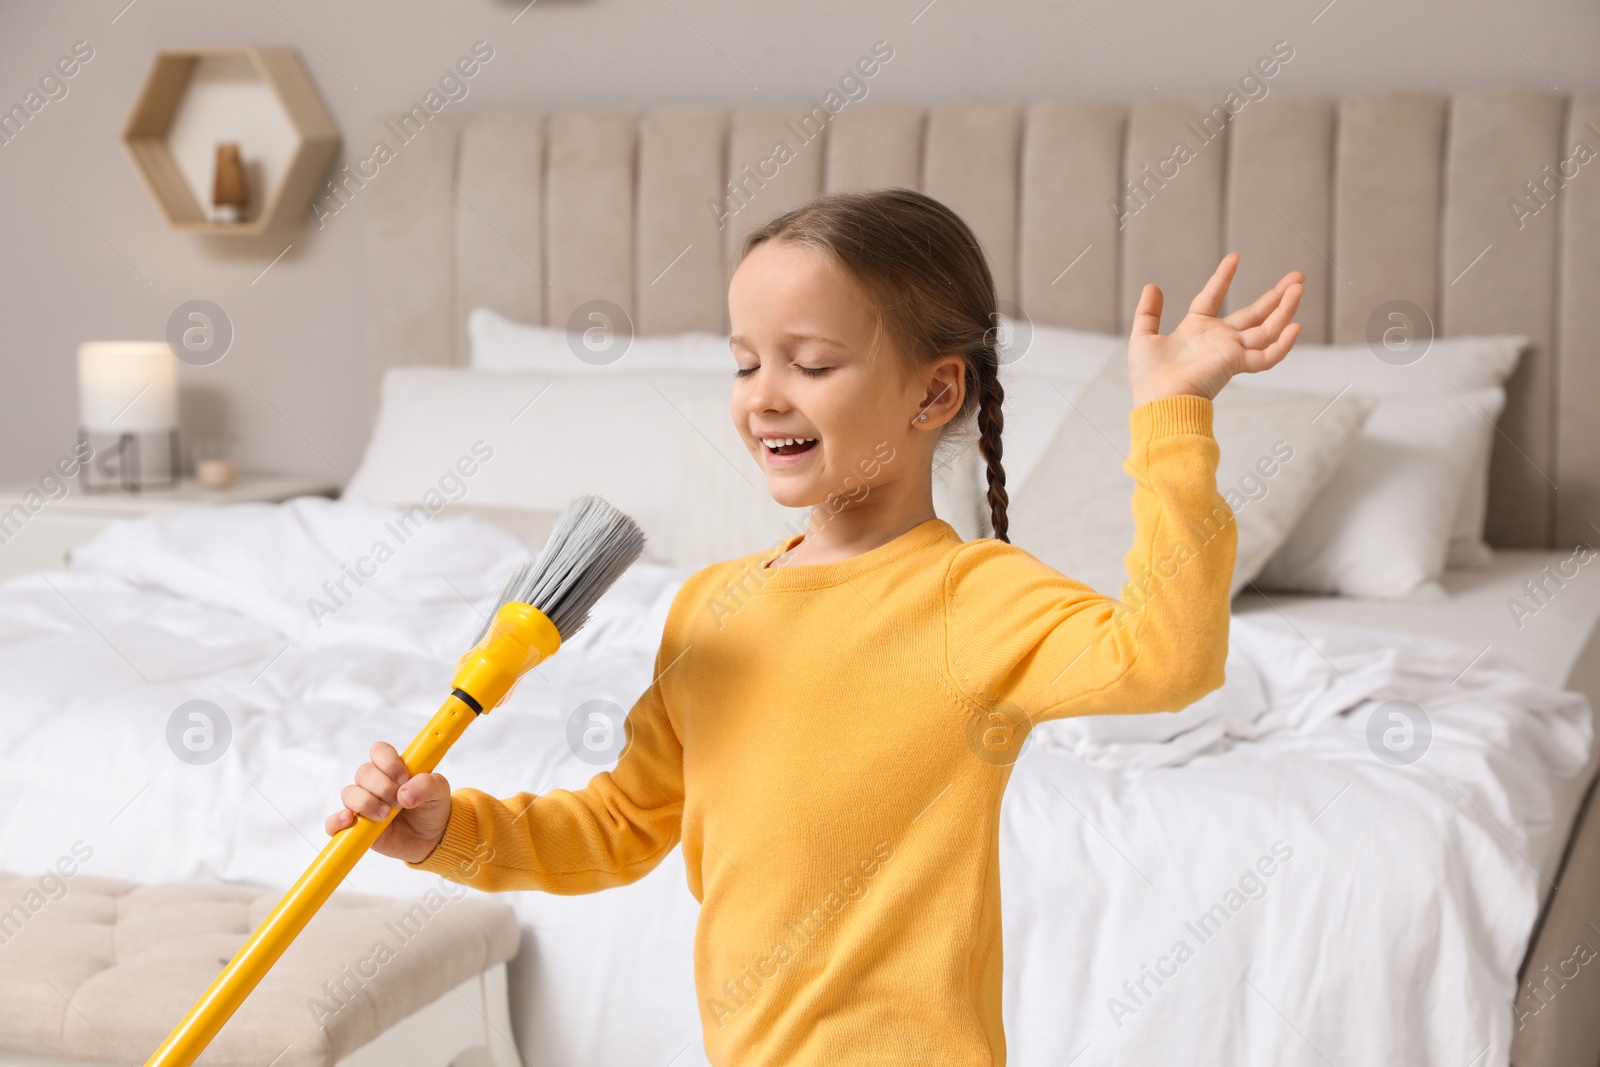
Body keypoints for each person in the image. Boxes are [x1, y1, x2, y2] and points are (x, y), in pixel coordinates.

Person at [326, 188, 1303, 1066]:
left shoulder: (972, 593)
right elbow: (621, 826)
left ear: (934, 392)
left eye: (812, 361)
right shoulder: (709, 607)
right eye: (746, 361)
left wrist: (1171, 416)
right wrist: (447, 830)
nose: (764, 394)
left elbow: (1169, 659)